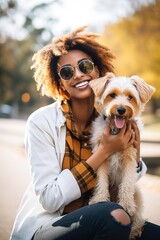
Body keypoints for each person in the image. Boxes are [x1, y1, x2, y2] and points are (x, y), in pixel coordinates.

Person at [10, 26, 160, 240]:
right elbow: (50, 199)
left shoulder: (111, 119)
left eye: (85, 66)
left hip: (103, 217)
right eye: (67, 72)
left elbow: (124, 177)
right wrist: (105, 151)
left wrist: (134, 151)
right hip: (49, 225)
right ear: (59, 81)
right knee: (113, 215)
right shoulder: (40, 122)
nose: (78, 74)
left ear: (98, 71)